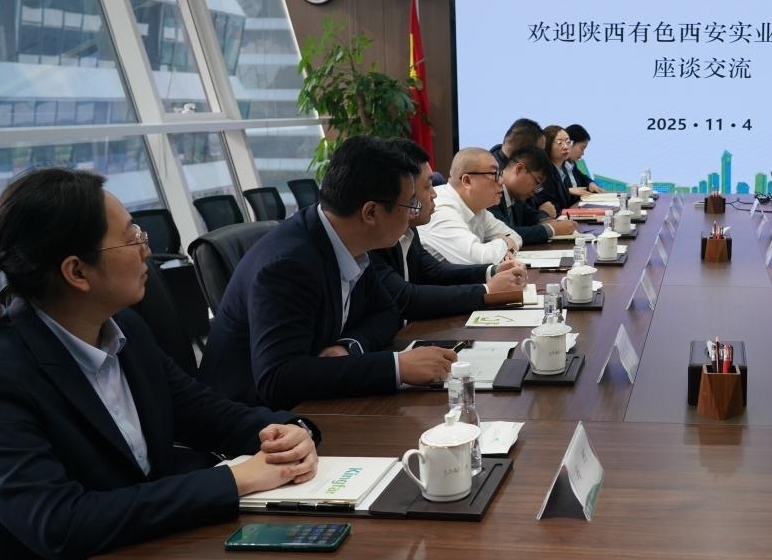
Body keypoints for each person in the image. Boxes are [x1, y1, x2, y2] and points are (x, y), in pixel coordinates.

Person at [0, 168, 319, 560]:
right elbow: (62, 524)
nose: (146, 248)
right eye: (131, 238)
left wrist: (288, 430)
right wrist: (235, 480)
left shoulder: (125, 331)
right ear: (77, 272)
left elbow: (210, 414)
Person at [199, 136, 458, 409]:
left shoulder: (347, 240)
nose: (412, 215)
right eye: (410, 205)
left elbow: (386, 313)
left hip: (314, 399)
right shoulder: (288, 265)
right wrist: (397, 367)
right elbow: (278, 378)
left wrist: (349, 347)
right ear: (370, 212)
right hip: (249, 417)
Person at [371, 140, 530, 322]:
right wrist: (487, 290)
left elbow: (434, 271)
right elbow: (407, 299)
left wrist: (493, 271)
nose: (434, 194)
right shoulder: (374, 240)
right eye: (427, 186)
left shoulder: (408, 228)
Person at [421, 147, 523, 265]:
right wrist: (504, 242)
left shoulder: (478, 208)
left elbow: (515, 237)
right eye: (494, 174)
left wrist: (501, 248)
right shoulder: (439, 207)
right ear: (467, 181)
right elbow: (477, 259)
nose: (501, 181)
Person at [491, 145, 580, 245]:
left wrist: (545, 220)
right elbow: (507, 234)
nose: (536, 191)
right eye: (537, 182)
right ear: (519, 169)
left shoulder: (514, 195)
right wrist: (552, 229)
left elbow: (532, 214)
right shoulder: (490, 193)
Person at [529, 125, 581, 217]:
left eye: (568, 142)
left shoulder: (563, 168)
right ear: (547, 145)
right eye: (560, 143)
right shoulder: (544, 173)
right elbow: (553, 209)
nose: (566, 147)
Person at [564, 123, 602, 195]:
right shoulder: (555, 166)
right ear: (570, 144)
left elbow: (582, 177)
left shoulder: (572, 165)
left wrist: (590, 183)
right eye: (582, 148)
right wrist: (568, 191)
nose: (583, 153)